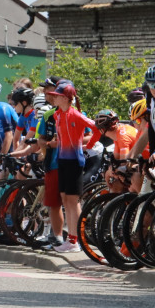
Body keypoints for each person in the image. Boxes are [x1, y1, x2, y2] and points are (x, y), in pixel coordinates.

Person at [45, 80, 96, 253]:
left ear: (67, 98)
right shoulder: (57, 115)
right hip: (62, 160)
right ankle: (71, 239)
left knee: (73, 201)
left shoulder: (75, 114)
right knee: (65, 199)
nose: (54, 99)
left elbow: (96, 128)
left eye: (58, 96)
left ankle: (76, 240)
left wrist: (87, 146)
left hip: (75, 161)